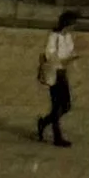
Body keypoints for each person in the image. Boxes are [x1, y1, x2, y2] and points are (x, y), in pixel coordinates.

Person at [34, 16, 77, 149]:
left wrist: (70, 59)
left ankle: (44, 122)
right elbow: (49, 53)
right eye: (72, 25)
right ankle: (57, 137)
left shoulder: (68, 37)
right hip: (54, 72)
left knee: (66, 104)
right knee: (57, 105)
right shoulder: (53, 36)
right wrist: (62, 60)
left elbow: (70, 51)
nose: (73, 28)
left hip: (62, 72)